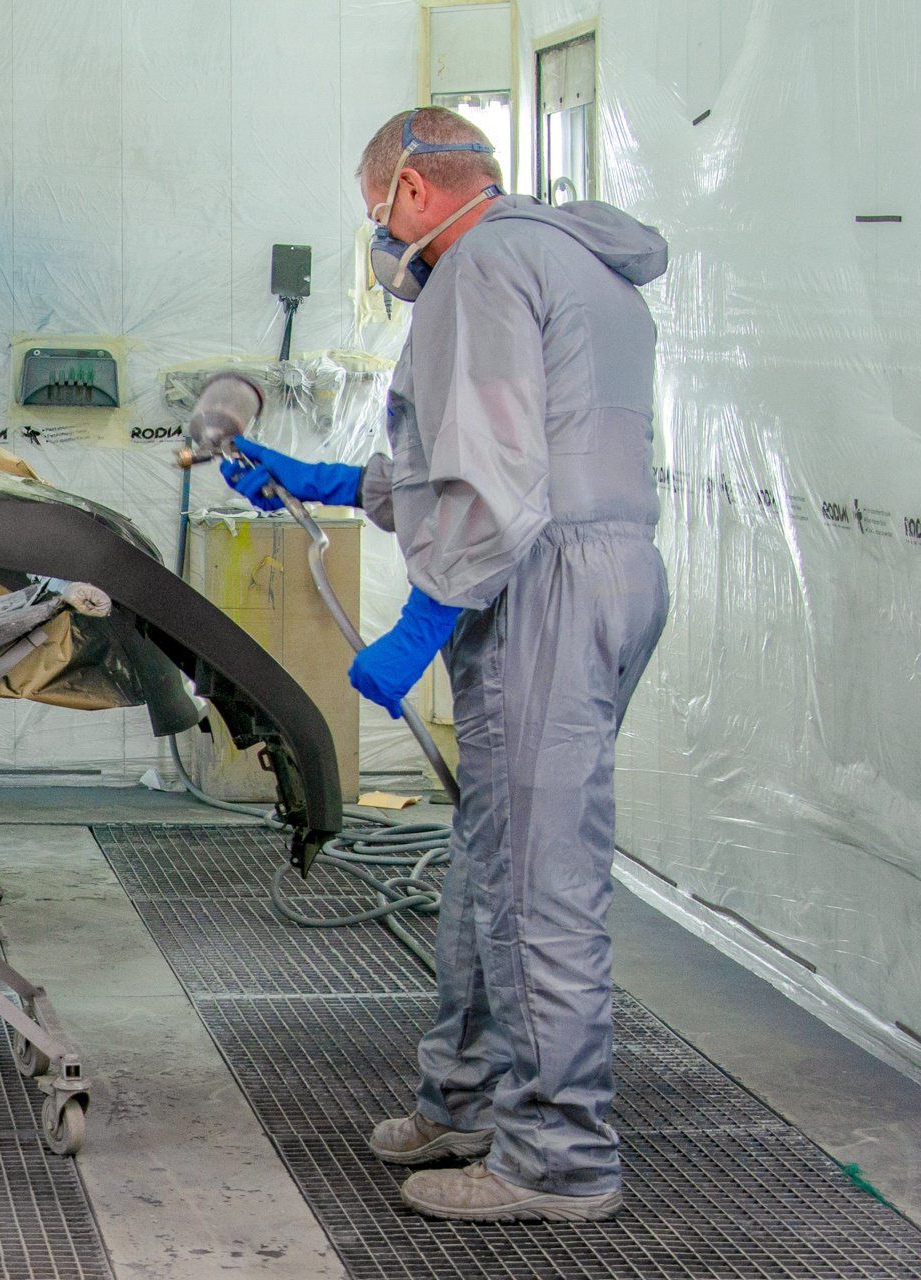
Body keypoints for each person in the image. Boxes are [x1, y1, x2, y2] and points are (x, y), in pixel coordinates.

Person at [214, 106, 671, 1222]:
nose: (381, 241)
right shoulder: (579, 261)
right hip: (601, 567)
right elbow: (519, 453)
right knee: (490, 853)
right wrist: (328, 483)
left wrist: (423, 619)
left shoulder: (479, 268)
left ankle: (558, 1156)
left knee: (537, 876)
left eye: (377, 213)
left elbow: (496, 486)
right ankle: (466, 1097)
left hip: (540, 584)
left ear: (414, 189)